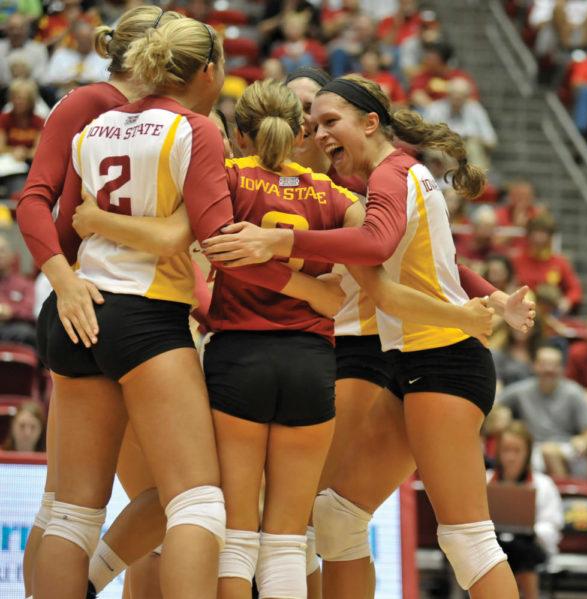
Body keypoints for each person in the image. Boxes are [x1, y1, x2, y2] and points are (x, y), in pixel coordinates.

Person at [31, 16, 347, 599]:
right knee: (199, 503)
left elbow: (66, 226)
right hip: (149, 319)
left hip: (79, 307)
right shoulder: (198, 131)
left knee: (69, 512)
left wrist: (95, 236)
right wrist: (311, 289)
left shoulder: (93, 126)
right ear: (207, 70)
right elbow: (216, 239)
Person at [203, 74, 528, 598]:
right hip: (407, 359)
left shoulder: (389, 177)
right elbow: (429, 263)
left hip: (439, 359)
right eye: (312, 124)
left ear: (371, 122)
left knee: (467, 540)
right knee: (334, 518)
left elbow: (376, 250)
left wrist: (277, 240)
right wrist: (493, 298)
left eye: (329, 121)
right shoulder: (381, 178)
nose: (319, 133)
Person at [14, 9, 191, 599]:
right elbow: (33, 202)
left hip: (115, 300)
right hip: (92, 295)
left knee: (69, 506)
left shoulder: (160, 117)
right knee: (107, 504)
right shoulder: (88, 104)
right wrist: (63, 280)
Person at [491, 345, 587, 477]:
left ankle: (562, 493)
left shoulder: (574, 392)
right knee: (518, 454)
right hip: (534, 448)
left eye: (554, 365)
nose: (549, 369)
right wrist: (501, 417)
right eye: (544, 364)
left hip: (567, 446)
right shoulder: (521, 391)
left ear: (562, 368)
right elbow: (494, 406)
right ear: (534, 366)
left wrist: (584, 440)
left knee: (549, 452)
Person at [487, 421, 564, 599]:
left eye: (517, 451)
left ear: (527, 453)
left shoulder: (544, 485)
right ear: (498, 452)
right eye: (506, 450)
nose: (511, 457)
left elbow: (552, 526)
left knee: (521, 550)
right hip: (493, 543)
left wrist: (531, 531)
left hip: (530, 547)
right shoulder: (485, 480)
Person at [512, 212, 582, 316]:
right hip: (522, 312)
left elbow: (575, 289)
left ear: (551, 237)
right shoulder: (517, 260)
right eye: (536, 232)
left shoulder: (560, 262)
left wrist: (567, 301)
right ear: (529, 235)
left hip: (551, 314)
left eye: (544, 232)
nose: (539, 237)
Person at [423, 77, 496, 170]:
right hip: (443, 147)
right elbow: (425, 135)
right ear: (448, 94)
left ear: (467, 96)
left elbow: (490, 139)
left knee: (474, 148)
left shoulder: (476, 109)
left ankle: (476, 180)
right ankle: (446, 180)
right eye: (454, 94)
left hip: (468, 147)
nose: (457, 97)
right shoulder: (435, 109)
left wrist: (476, 141)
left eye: (461, 95)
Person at [0, 235, 36, 346]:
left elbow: (29, 311)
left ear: (12, 256)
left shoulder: (25, 284)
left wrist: (10, 311)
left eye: (1, 251)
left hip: (15, 328)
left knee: (26, 333)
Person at [0, 13, 48, 87]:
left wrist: (26, 77)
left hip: (32, 92)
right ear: (6, 29)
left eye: (20, 28)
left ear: (27, 29)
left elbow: (41, 77)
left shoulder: (39, 49)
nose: (16, 32)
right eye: (12, 28)